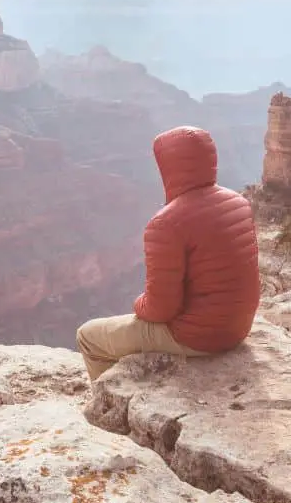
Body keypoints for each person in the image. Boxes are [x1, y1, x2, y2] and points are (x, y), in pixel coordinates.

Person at [75, 125, 261, 381]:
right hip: (238, 327)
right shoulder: (238, 202)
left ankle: (107, 403)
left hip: (198, 336)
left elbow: (160, 310)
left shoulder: (166, 223)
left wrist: (137, 303)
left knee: (88, 337)